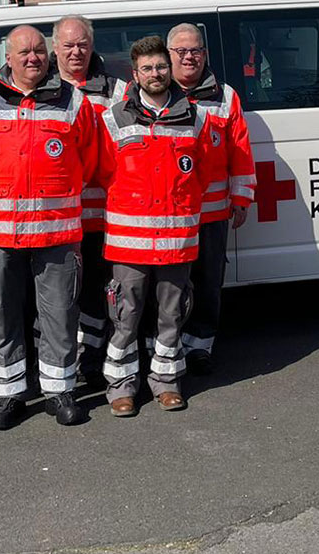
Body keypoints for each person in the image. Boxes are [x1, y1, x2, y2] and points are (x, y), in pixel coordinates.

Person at [0, 25, 100, 429]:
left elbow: (88, 160)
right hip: (0, 234)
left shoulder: (74, 101)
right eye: (23, 52)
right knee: (2, 315)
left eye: (40, 51)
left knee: (59, 313)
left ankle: (59, 391)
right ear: (7, 58)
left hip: (55, 232)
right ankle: (8, 395)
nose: (33, 58)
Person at [98, 36, 211, 415]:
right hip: (129, 242)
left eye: (161, 66)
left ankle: (166, 381)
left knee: (171, 315)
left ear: (171, 69)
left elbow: (203, 173)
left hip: (176, 240)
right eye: (147, 68)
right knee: (125, 316)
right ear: (135, 75)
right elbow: (101, 172)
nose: (155, 73)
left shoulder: (195, 116)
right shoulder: (113, 118)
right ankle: (121, 386)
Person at [170, 22, 255, 374]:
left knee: (208, 282)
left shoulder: (225, 95)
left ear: (205, 54)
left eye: (196, 51)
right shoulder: (153, 92)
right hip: (168, 215)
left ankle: (200, 345)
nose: (190, 57)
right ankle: (164, 345)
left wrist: (242, 196)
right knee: (167, 286)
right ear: (169, 55)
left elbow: (240, 150)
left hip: (212, 212)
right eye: (182, 51)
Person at [49, 15, 123, 387]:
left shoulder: (117, 90)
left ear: (92, 46)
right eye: (68, 45)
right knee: (59, 298)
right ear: (54, 47)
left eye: (82, 44)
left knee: (96, 295)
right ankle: (58, 363)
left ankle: (91, 361)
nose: (75, 51)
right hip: (55, 220)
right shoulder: (40, 88)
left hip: (101, 217)